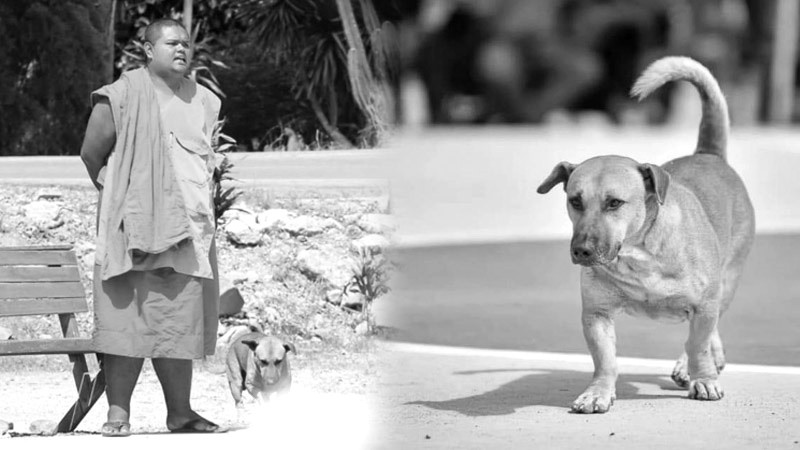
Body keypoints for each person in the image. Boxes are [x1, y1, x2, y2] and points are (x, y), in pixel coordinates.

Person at [80, 18, 221, 436]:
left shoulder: (206, 101)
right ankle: (117, 413)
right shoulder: (120, 96)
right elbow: (92, 154)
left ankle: (180, 412)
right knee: (127, 320)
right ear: (147, 49)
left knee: (177, 321)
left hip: (187, 232)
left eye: (186, 44)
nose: (182, 50)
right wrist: (127, 198)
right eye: (171, 43)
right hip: (131, 229)